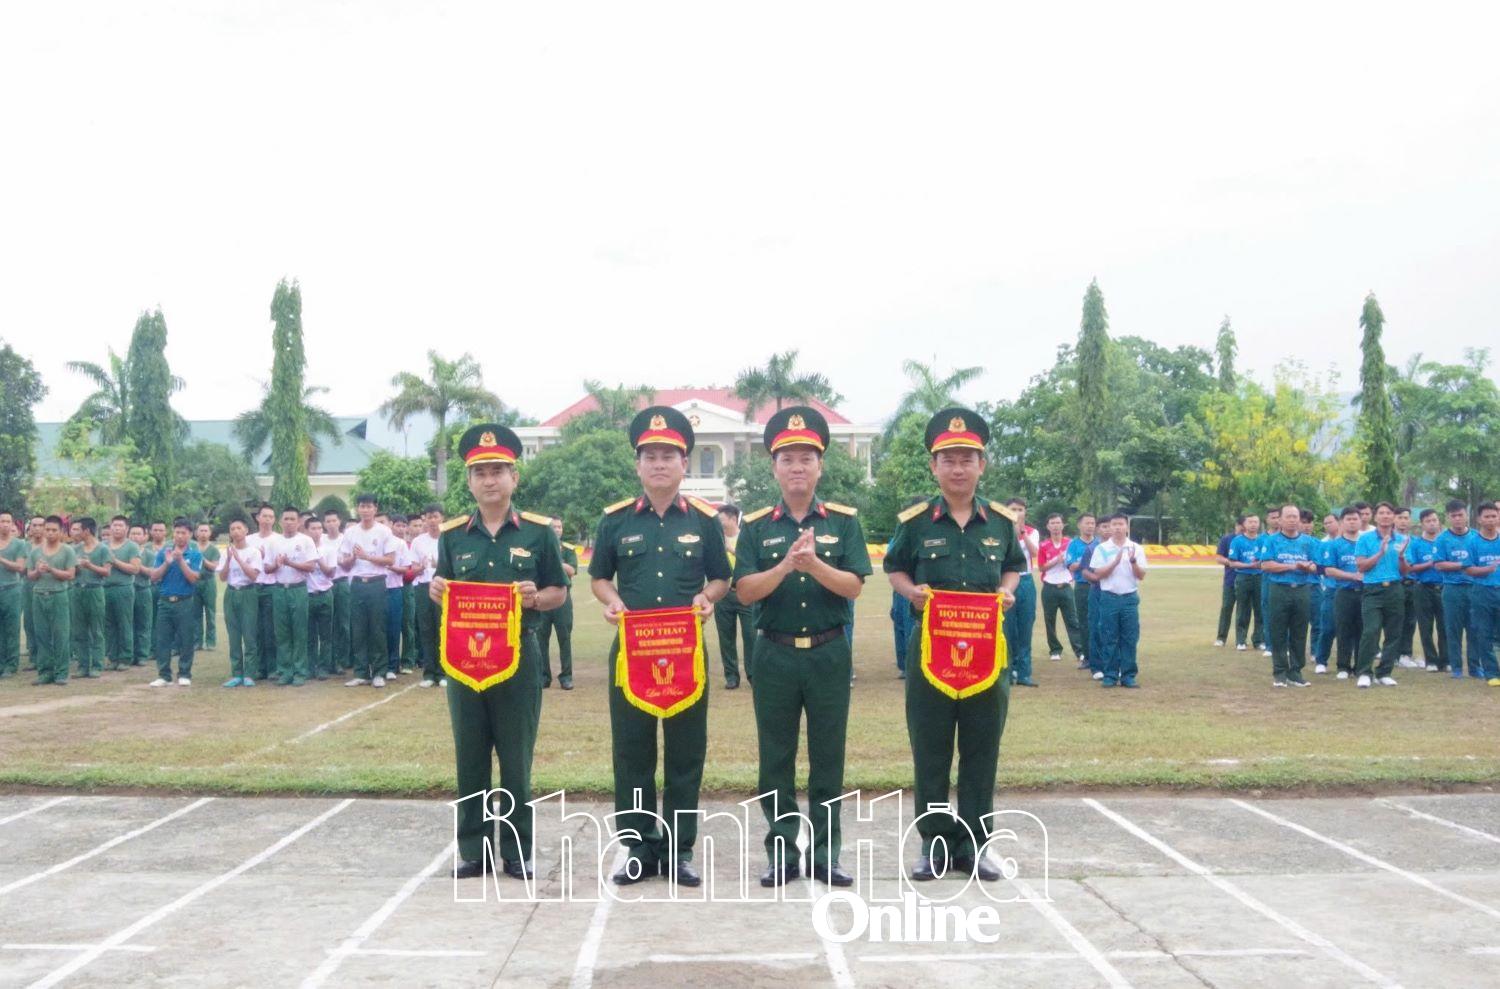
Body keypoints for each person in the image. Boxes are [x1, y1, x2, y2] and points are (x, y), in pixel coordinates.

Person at [589, 406, 730, 887]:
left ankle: (679, 849)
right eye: (649, 456)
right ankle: (636, 846)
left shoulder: (707, 522)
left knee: (686, 752)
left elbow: (721, 579)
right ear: (638, 465)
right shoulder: (615, 521)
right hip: (632, 653)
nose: (659, 464)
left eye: (668, 455)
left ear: (684, 463)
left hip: (685, 653)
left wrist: (707, 599)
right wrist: (612, 604)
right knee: (632, 752)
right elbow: (599, 579)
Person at [884, 408, 1023, 882]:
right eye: (949, 459)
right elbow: (894, 568)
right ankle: (934, 846)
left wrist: (1008, 591)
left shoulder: (1001, 523)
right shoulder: (916, 521)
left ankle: (976, 847)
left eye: (967, 458)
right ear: (934, 466)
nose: (958, 467)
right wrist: (910, 593)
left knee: (983, 748)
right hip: (930, 649)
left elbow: (1013, 565)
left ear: (982, 464)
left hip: (987, 652)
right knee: (932, 748)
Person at [734, 407, 869, 888]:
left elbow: (853, 586)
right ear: (774, 467)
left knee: (828, 755)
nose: (797, 467)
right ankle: (782, 851)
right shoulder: (755, 527)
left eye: (806, 458)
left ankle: (826, 852)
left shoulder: (844, 523)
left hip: (830, 652)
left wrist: (814, 566)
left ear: (820, 466)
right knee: (776, 756)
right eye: (787, 458)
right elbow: (745, 591)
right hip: (773, 653)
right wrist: (787, 567)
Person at [433, 423, 569, 880]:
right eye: (480, 472)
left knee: (516, 758)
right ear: (469, 481)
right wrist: (437, 591)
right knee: (469, 756)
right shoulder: (452, 537)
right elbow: (445, 590)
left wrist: (535, 597)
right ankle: (473, 849)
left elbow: (559, 593)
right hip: (465, 663)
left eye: (498, 471)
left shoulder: (537, 534)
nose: (490, 480)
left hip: (519, 658)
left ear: (514, 476)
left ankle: (515, 850)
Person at [339, 494, 398, 688]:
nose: (365, 510)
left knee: (377, 628)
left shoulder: (384, 532)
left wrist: (366, 556)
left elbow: (390, 560)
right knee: (359, 629)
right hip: (357, 584)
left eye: (369, 506)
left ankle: (379, 671)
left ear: (375, 508)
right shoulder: (350, 533)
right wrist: (353, 559)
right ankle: (361, 672)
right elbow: (344, 564)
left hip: (377, 583)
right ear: (357, 509)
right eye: (362, 506)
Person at [1257, 503, 1318, 688]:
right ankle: (1280, 673)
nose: (1292, 520)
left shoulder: (1308, 542)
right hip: (1279, 589)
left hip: (1301, 589)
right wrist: (1294, 566)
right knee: (1278, 631)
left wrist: (1309, 567)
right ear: (1281, 520)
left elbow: (1316, 566)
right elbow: (1266, 565)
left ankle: (1296, 672)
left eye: (1295, 517)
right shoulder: (1272, 541)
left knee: (1300, 632)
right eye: (1288, 517)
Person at [1086, 513, 1148, 687]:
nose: (1117, 528)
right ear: (1110, 527)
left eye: (1121, 524)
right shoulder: (1102, 549)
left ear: (1127, 527)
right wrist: (1115, 562)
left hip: (1129, 597)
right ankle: (1110, 674)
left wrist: (1133, 561)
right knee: (1108, 636)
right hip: (1109, 597)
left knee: (1129, 637)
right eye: (1114, 524)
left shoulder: (1136, 548)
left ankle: (1128, 675)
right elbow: (1098, 574)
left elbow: (1141, 575)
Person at [1354, 502, 1409, 688]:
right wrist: (1380, 553)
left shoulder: (1402, 539)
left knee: (1393, 632)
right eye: (1382, 513)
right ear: (1375, 517)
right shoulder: (1365, 539)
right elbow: (1361, 566)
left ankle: (1384, 672)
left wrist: (1401, 556)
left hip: (1394, 588)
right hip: (1372, 589)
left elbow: (1405, 571)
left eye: (1389, 513)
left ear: (1393, 517)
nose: (1385, 516)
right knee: (1371, 631)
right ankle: (1364, 672)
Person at [145, 518, 202, 687]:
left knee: (186, 639)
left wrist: (180, 561)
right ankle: (164, 675)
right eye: (177, 532)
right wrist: (167, 562)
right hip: (165, 602)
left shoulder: (195, 554)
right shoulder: (164, 552)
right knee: (162, 639)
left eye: (184, 533)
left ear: (190, 535)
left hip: (185, 601)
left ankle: (184, 673)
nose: (180, 536)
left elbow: (193, 578)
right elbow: (154, 576)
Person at [264, 506, 316, 686]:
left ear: (299, 522)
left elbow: (311, 567)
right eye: (286, 519)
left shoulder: (306, 540)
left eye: (293, 519)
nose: (289, 522)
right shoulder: (274, 542)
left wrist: (290, 563)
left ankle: (300, 671)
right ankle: (285, 670)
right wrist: (277, 565)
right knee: (282, 632)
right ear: (280, 521)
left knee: (300, 631)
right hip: (279, 589)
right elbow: (266, 568)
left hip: (298, 589)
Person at [26, 516, 76, 685]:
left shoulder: (67, 551)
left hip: (58, 595)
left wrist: (51, 569)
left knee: (61, 634)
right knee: (42, 634)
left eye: (54, 530)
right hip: (39, 594)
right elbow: (30, 576)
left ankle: (61, 672)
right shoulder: (35, 552)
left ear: (61, 532)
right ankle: (45, 672)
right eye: (47, 529)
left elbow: (70, 575)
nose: (50, 533)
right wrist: (38, 571)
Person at [713, 504, 755, 689]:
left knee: (751, 636)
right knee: (726, 637)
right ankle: (731, 676)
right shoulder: (716, 538)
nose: (719, 522)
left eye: (721, 518)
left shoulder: (746, 537)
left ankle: (753, 675)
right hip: (723, 595)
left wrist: (731, 550)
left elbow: (751, 562)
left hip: (745, 594)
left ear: (732, 518)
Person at [1434, 500, 1478, 679]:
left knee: (1475, 629)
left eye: (1461, 515)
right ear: (1448, 517)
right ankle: (1457, 667)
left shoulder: (1476, 536)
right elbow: (1439, 564)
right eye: (1454, 516)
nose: (1458, 519)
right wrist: (1463, 565)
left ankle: (1475, 667)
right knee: (1453, 629)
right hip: (1452, 589)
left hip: (1475, 588)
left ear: (1467, 515)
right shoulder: (1442, 539)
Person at [218, 516, 263, 687]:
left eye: (239, 528)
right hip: (231, 593)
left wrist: (238, 559)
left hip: (248, 593)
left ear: (246, 531)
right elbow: (222, 577)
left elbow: (253, 575)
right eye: (232, 529)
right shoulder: (225, 552)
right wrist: (229, 560)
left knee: (249, 634)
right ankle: (236, 673)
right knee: (234, 634)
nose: (235, 532)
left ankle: (250, 673)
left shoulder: (253, 552)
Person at [1404, 508, 1448, 672]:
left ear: (1439, 522)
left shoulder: (1444, 541)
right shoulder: (1415, 544)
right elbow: (1410, 567)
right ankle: (1431, 660)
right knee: (1425, 626)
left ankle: (1445, 660)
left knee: (1444, 625)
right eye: (1428, 521)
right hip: (1423, 588)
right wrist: (1431, 564)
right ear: (1422, 524)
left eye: (1434, 520)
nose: (1432, 523)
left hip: (1443, 587)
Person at [1323, 507, 1365, 680]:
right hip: (1344, 591)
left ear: (1361, 521)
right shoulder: (1334, 545)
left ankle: (1361, 666)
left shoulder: (1367, 543)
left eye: (1355, 518)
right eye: (1348, 519)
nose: (1352, 522)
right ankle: (1343, 666)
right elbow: (1329, 570)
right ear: (1341, 522)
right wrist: (1352, 575)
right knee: (1343, 629)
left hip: (1365, 592)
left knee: (1363, 631)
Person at [1462, 502, 1500, 687]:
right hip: (1481, 592)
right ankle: (1492, 673)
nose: (1491, 520)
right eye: (1487, 516)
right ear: (1479, 519)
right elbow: (1468, 569)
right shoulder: (1472, 542)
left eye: (1494, 516)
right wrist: (1487, 569)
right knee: (1483, 633)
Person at [537, 516, 577, 690]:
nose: (557, 530)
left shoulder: (568, 549)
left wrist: (555, 560)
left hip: (563, 600)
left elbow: (572, 570)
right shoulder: (539, 548)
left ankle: (566, 676)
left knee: (564, 638)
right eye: (553, 527)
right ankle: (544, 676)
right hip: (544, 599)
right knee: (541, 639)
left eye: (559, 527)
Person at [1003, 498, 1039, 686]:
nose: (1017, 512)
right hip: (1007, 581)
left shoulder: (1033, 532)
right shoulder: (1000, 531)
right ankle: (1008, 671)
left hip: (1025, 580)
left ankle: (1024, 672)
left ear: (1026, 512)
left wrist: (1022, 533)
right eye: (1013, 509)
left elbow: (1034, 553)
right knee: (1007, 628)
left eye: (1020, 509)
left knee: (1025, 625)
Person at [1037, 512, 1082, 663]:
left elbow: (1075, 564)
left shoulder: (1070, 543)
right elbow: (1042, 567)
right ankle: (1055, 650)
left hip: (1066, 586)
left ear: (1063, 525)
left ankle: (1079, 650)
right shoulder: (1043, 546)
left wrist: (1067, 561)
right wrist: (1057, 560)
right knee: (1050, 620)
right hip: (1049, 587)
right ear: (1048, 527)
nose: (1056, 526)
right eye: (1052, 523)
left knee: (1072, 620)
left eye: (1058, 523)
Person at [70, 517, 110, 678]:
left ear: (86, 530)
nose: (75, 533)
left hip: (95, 590)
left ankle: (97, 665)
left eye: (78, 529)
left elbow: (107, 572)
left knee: (97, 629)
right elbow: (73, 572)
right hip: (78, 590)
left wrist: (89, 565)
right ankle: (83, 665)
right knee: (79, 630)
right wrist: (78, 567)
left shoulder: (102, 549)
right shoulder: (75, 549)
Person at [409, 504, 443, 688]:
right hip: (423, 587)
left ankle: (443, 672)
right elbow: (413, 569)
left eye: (435, 516)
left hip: (442, 588)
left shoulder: (447, 538)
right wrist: (421, 567)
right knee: (426, 629)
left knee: (442, 629)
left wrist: (439, 564)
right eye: (428, 517)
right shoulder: (418, 541)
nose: (432, 521)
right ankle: (429, 673)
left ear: (442, 518)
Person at [245, 504, 279, 679]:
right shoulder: (249, 540)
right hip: (253, 588)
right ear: (257, 518)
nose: (267, 520)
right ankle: (258, 667)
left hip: (271, 587)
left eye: (271, 517)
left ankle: (273, 667)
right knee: (255, 629)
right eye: (264, 516)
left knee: (271, 629)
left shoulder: (278, 539)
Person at [1065, 513, 1099, 674]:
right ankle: (1087, 657)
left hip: (1098, 585)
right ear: (1079, 525)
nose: (1090, 526)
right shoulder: (1074, 544)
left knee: (1099, 621)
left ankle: (1100, 656)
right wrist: (1087, 562)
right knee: (1084, 623)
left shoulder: (1099, 543)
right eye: (1087, 523)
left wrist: (1083, 563)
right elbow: (1071, 566)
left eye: (1093, 523)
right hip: (1082, 586)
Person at [305, 515, 337, 680]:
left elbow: (331, 573)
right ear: (306, 530)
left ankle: (324, 667)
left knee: (326, 635)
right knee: (309, 635)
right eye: (313, 528)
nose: (317, 532)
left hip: (325, 594)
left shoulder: (328, 549)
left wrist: (319, 559)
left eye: (319, 528)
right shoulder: (302, 548)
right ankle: (310, 667)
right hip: (307, 596)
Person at [1227, 514, 1264, 651]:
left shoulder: (1263, 541)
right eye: (1250, 522)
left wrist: (1259, 564)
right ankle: (1241, 640)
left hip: (1259, 577)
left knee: (1260, 610)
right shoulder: (1237, 541)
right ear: (1244, 524)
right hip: (1243, 577)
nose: (1253, 524)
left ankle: (1258, 640)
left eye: (1256, 522)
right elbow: (1232, 562)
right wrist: (1249, 565)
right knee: (1243, 609)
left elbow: (1266, 559)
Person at [324, 508, 353, 673]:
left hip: (342, 583)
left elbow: (350, 561)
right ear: (324, 524)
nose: (331, 524)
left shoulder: (345, 539)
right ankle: (330, 660)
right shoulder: (321, 540)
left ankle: (343, 660)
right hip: (325, 584)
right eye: (328, 521)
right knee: (329, 624)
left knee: (343, 623)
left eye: (334, 521)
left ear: (339, 521)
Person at [1311, 512, 1340, 673]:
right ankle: (1321, 660)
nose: (1328, 525)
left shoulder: (1356, 541)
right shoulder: (1323, 544)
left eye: (1331, 522)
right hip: (1331, 589)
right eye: (1325, 523)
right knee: (1328, 627)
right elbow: (1319, 567)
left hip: (1352, 590)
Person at [0, 510, 26, 676]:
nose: (4, 524)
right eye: (1, 521)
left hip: (12, 589)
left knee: (12, 627)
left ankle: (11, 664)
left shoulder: (19, 544)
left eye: (7, 521)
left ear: (13, 524)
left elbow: (20, 567)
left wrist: (1, 559)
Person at [1212, 518, 1243, 647]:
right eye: (1241, 525)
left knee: (1243, 611)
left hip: (1247, 581)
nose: (1243, 527)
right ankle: (1221, 637)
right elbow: (1218, 558)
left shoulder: (1253, 540)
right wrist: (1231, 562)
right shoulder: (1227, 539)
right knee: (1226, 608)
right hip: (1230, 580)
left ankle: (1241, 640)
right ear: (1236, 525)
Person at [127, 522, 152, 668]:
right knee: (128, 624)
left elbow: (152, 573)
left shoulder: (149, 554)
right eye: (132, 533)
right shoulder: (126, 551)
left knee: (143, 623)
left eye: (138, 534)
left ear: (145, 537)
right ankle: (129, 655)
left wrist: (137, 566)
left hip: (143, 589)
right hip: (128, 590)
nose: (134, 537)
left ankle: (142, 655)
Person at [193, 523, 220, 651]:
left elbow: (214, 566)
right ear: (196, 533)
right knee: (195, 613)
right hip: (194, 581)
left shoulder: (213, 549)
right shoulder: (192, 547)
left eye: (206, 530)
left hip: (208, 581)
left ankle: (211, 641)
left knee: (210, 612)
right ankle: (197, 642)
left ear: (210, 533)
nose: (203, 533)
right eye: (201, 530)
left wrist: (202, 558)